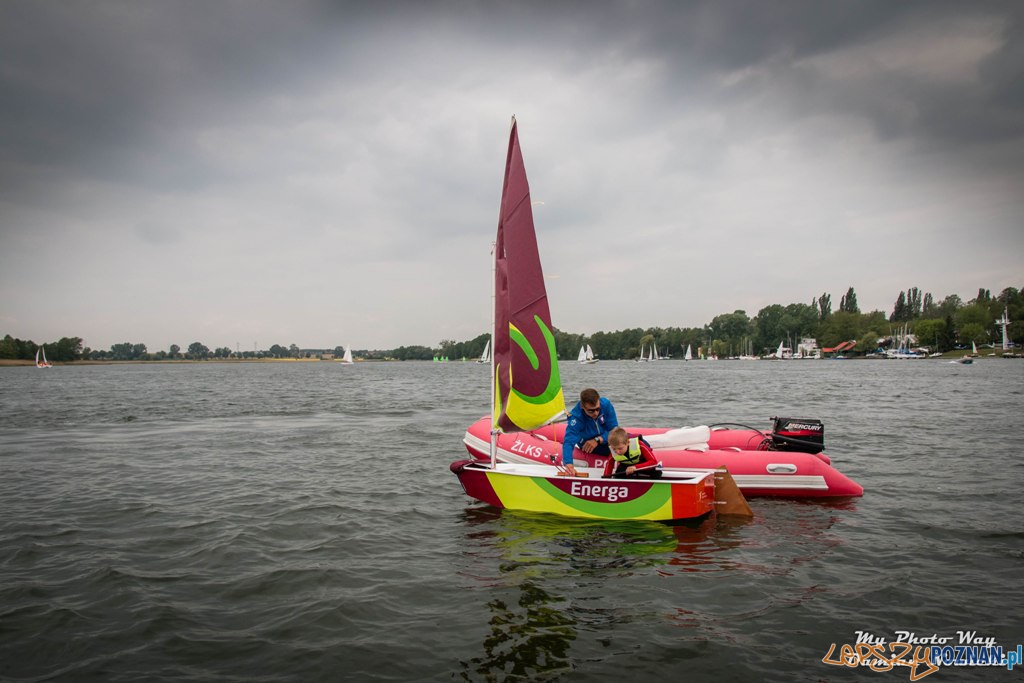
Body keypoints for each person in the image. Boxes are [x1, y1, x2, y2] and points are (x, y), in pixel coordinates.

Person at [561, 388, 618, 476]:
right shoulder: (576, 418)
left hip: (603, 438)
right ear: (582, 406)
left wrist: (598, 439)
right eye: (591, 411)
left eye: (598, 409)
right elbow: (569, 442)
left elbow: (614, 430)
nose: (595, 413)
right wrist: (569, 464)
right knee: (621, 447)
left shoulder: (606, 404)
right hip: (588, 445)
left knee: (633, 440)